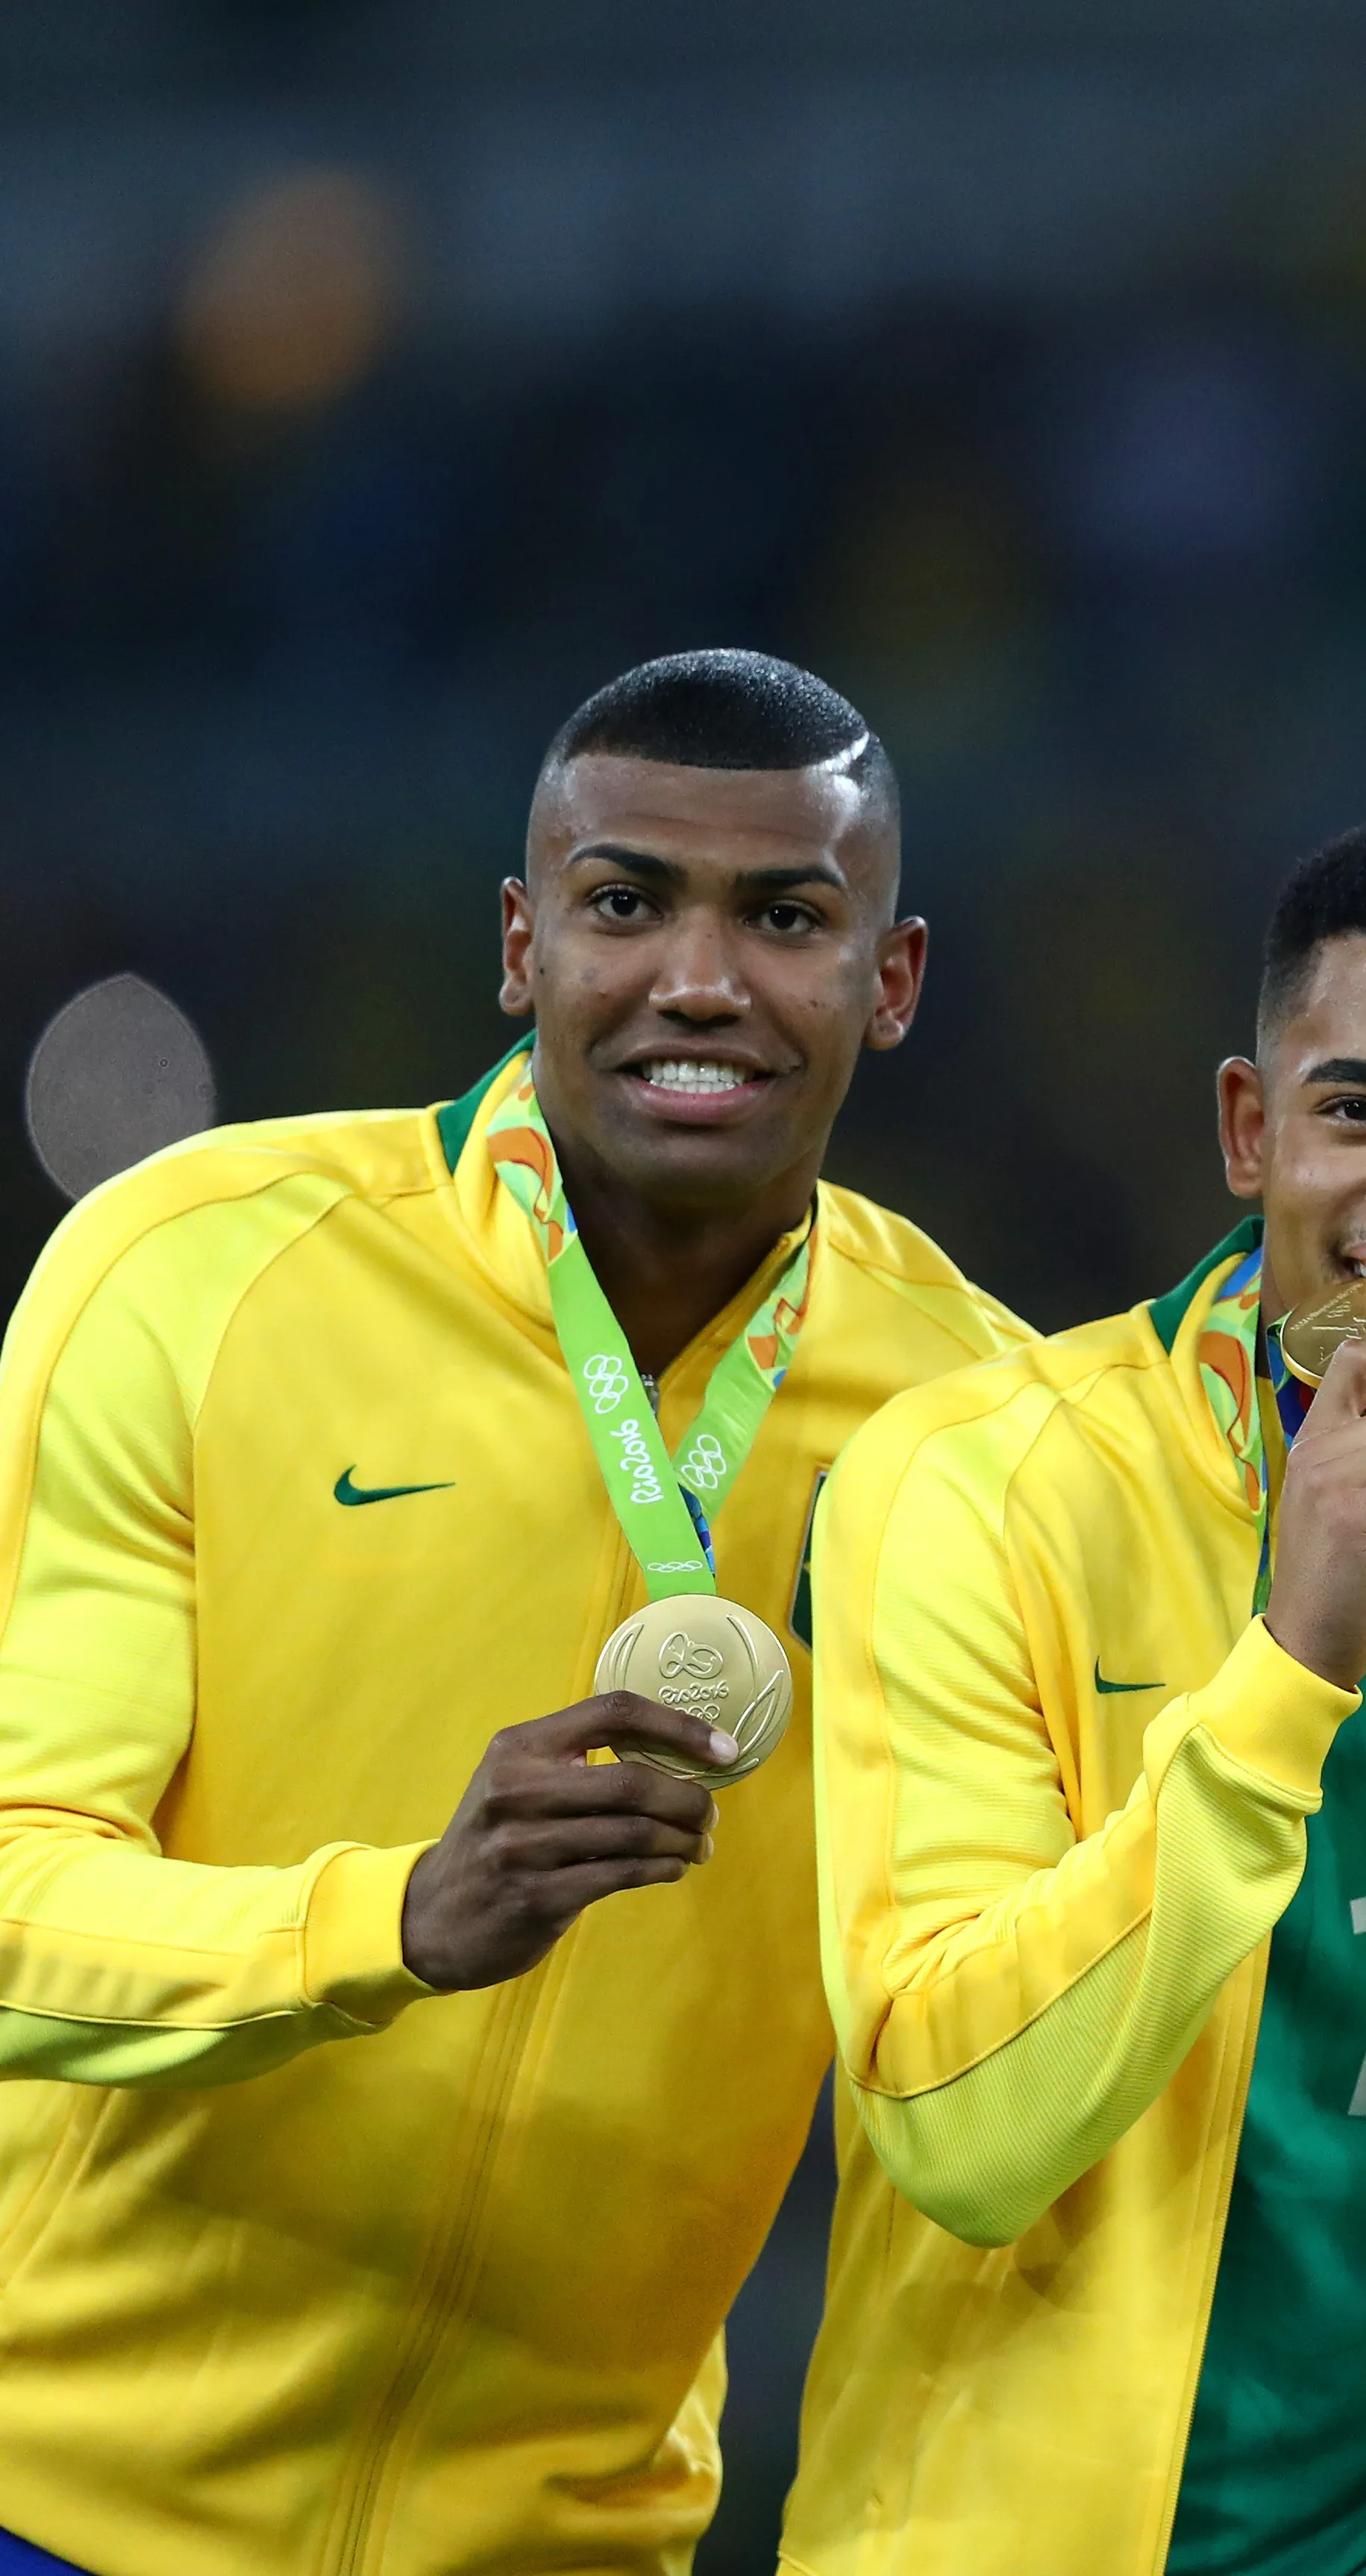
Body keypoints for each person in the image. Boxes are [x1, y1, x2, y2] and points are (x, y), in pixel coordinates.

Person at [0, 650, 1020, 2575]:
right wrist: (385, 1920)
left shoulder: (983, 1436)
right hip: (54, 2510)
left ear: (888, 983)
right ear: (518, 941)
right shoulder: (193, 1272)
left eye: (786, 917)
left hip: (568, 2548)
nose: (700, 981)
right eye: (627, 902)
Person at [785, 808, 1366, 2576]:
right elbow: (962, 2131)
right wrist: (1287, 1675)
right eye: (1357, 1109)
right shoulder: (979, 1486)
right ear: (1248, 1131)